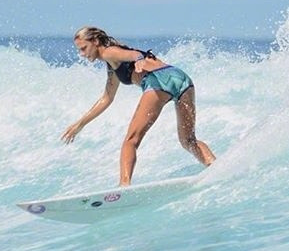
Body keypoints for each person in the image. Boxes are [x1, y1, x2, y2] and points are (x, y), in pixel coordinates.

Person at [62, 26, 215, 186]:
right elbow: (107, 98)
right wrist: (80, 124)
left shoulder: (109, 52)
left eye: (84, 48)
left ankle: (124, 186)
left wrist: (140, 59)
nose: (82, 54)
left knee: (130, 141)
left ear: (95, 41)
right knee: (188, 140)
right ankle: (215, 168)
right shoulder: (112, 63)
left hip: (158, 80)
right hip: (180, 78)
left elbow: (135, 55)